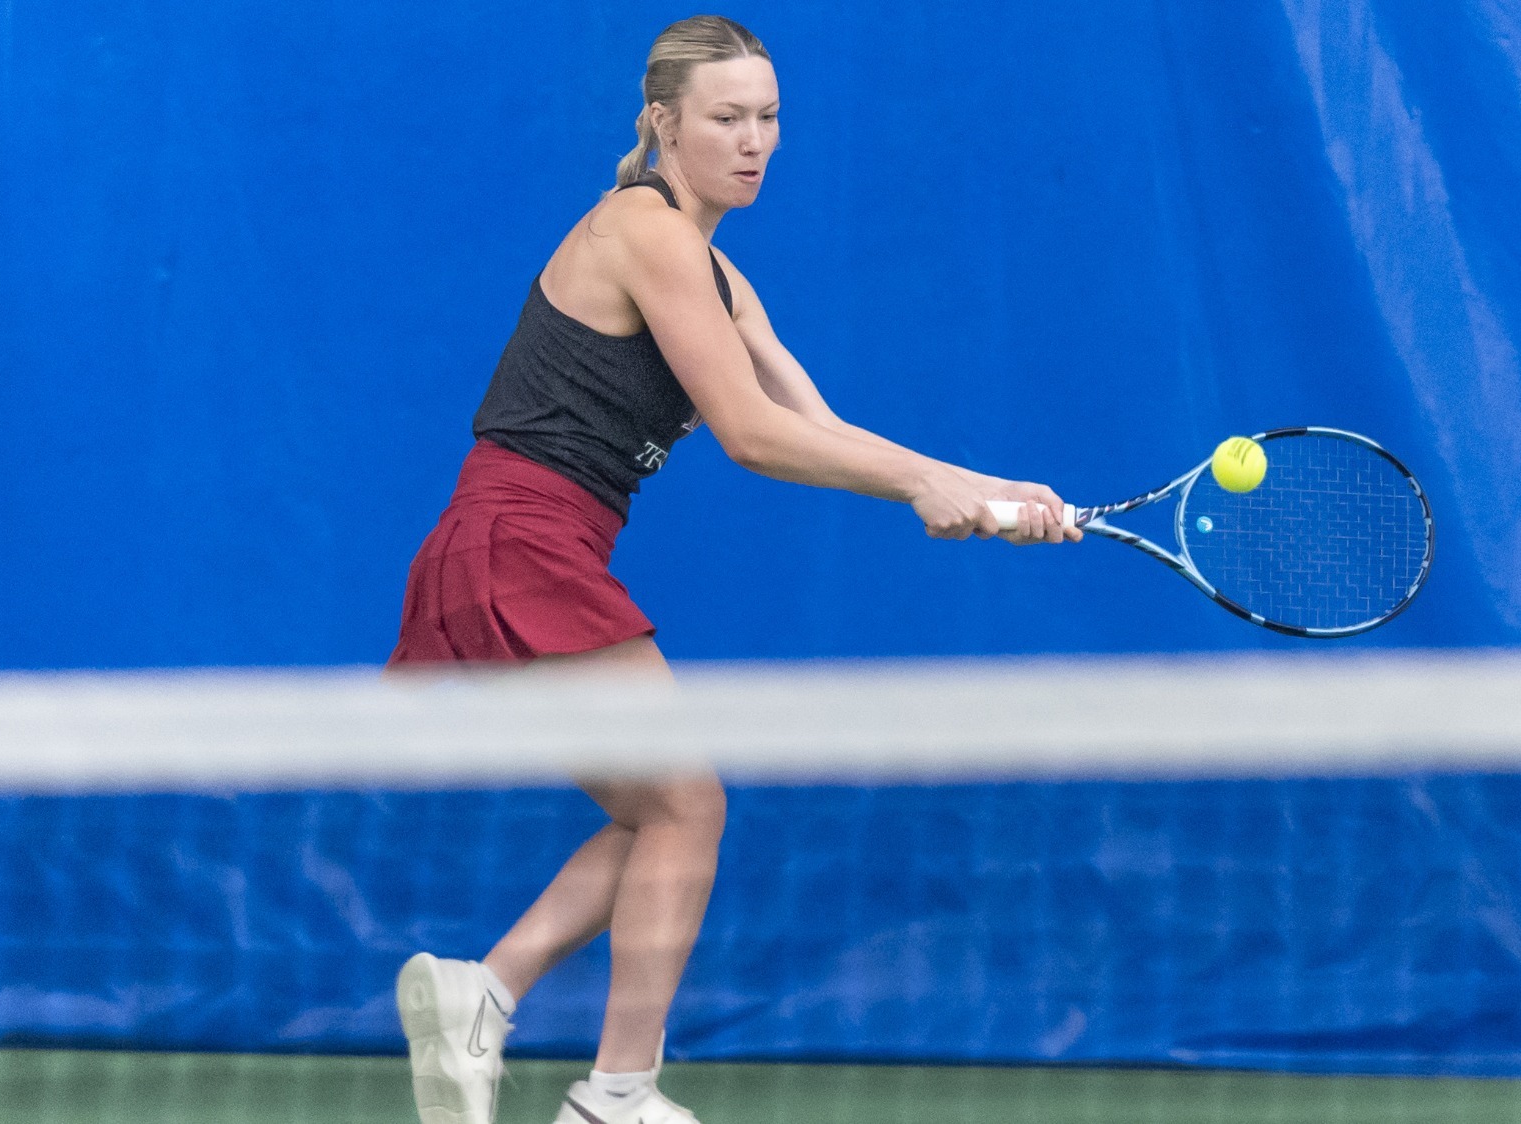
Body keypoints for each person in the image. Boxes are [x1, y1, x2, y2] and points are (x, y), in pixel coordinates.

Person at [389, 15, 1078, 1124]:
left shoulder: (722, 279)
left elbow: (822, 422)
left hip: (522, 539)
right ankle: (616, 1094)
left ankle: (487, 989)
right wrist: (918, 488)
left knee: (654, 810)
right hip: (520, 536)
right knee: (686, 802)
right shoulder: (641, 230)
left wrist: (994, 493)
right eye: (725, 117)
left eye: (767, 118)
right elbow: (751, 433)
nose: (752, 141)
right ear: (661, 121)